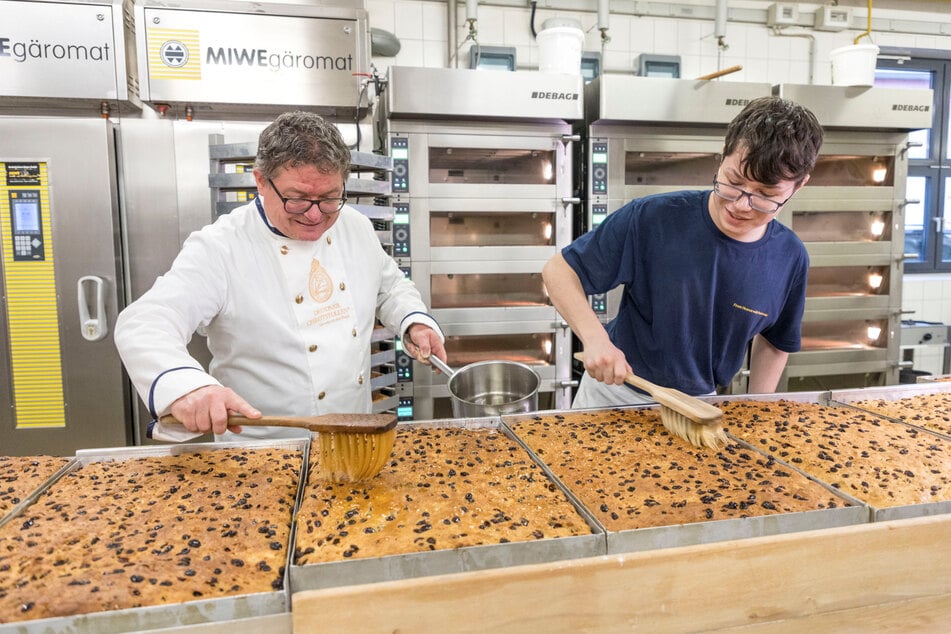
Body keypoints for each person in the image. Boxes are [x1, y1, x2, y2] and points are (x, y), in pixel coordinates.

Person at [115, 110, 446, 440]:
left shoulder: (355, 226)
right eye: (298, 199)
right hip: (262, 454)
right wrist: (188, 387)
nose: (316, 214)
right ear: (260, 181)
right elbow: (147, 321)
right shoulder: (220, 247)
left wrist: (413, 321)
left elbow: (389, 287)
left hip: (352, 440)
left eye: (330, 198)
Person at [543, 96, 823, 408]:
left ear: (798, 187)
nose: (741, 205)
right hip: (615, 394)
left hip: (699, 406)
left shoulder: (790, 257)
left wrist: (756, 408)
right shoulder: (652, 217)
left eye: (765, 195)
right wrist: (594, 337)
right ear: (722, 159)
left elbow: (775, 340)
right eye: (733, 182)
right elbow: (559, 271)